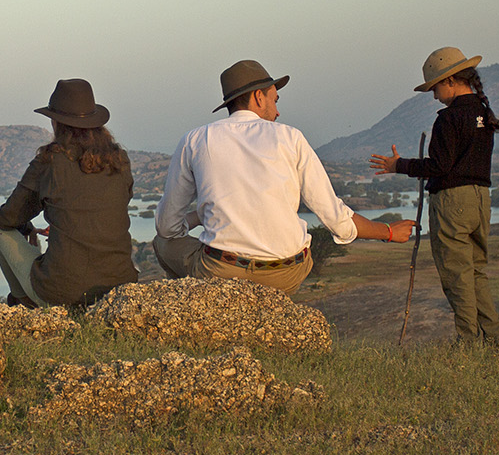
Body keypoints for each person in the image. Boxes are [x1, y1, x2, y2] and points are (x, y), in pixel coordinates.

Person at [154, 60, 414, 294]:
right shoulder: (291, 137)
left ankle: (194, 307)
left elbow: (167, 228)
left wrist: (200, 216)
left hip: (222, 271)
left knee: (162, 243)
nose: (277, 112)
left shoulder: (196, 140)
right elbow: (337, 219)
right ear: (258, 97)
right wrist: (389, 232)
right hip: (286, 274)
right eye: (275, 100)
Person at [370, 47, 499, 345]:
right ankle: (496, 339)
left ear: (451, 80)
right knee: (476, 271)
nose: (434, 96)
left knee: (457, 275)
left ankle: (468, 343)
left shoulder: (449, 118)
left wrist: (398, 166)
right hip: (481, 200)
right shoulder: (484, 113)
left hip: (453, 202)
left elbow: (439, 166)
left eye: (435, 88)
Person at [0, 79, 140, 308]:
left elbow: (6, 219)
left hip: (62, 292)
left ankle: (24, 304)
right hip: (119, 287)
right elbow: (109, 208)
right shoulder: (119, 160)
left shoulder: (48, 161)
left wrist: (29, 227)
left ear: (56, 122)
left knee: (1, 234)